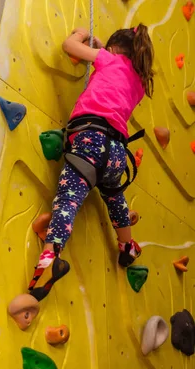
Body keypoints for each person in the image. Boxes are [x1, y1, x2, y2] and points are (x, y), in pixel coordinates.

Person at [27, 24, 155, 302]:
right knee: (115, 196)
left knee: (67, 202)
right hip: (118, 153)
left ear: (111, 50)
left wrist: (79, 35)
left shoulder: (108, 60)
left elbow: (68, 46)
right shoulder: (139, 84)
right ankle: (127, 246)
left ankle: (49, 261)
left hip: (91, 140)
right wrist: (101, 47)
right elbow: (115, 74)